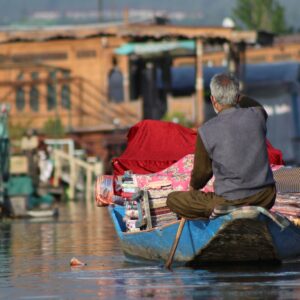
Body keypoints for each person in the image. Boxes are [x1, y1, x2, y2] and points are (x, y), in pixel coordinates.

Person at [167, 73, 276, 219]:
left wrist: (193, 190)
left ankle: (226, 210)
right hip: (265, 197)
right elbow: (255, 104)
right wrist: (237, 96)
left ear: (213, 99)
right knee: (217, 199)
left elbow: (202, 174)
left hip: (230, 200)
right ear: (237, 97)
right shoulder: (257, 115)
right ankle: (229, 208)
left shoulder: (206, 130)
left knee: (173, 199)